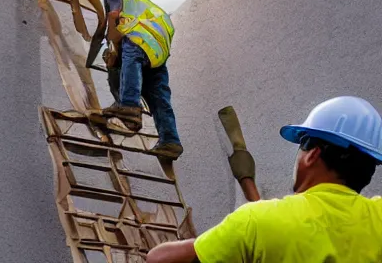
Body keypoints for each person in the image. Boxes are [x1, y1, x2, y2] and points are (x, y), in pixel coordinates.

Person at [146, 95, 382, 263]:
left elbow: (158, 259)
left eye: (300, 145)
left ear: (312, 155)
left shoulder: (257, 223)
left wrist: (226, 240)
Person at [84, 0, 183, 159]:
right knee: (158, 93)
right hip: (157, 45)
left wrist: (112, 45)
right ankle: (170, 140)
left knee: (126, 58)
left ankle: (128, 107)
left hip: (141, 35)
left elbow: (114, 16)